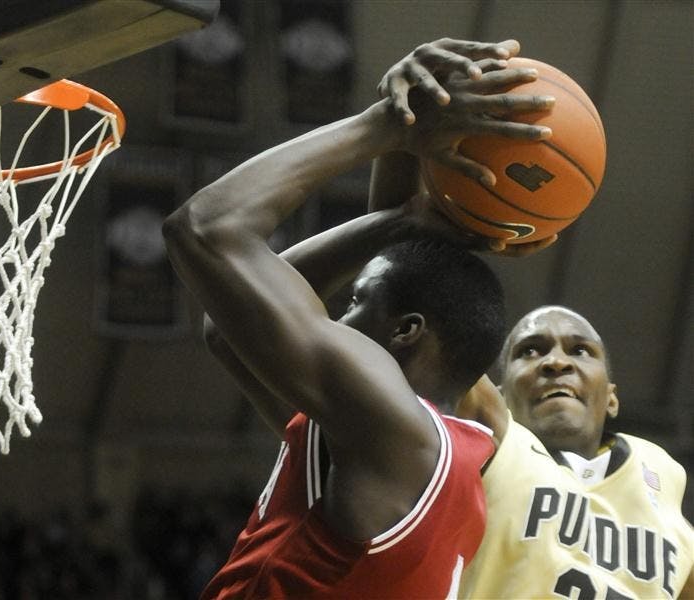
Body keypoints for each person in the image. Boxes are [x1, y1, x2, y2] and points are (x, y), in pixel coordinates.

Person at [162, 37, 555, 599]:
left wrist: (385, 127)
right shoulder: (437, 462)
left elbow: (205, 229)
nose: (333, 316)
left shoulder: (392, 432)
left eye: (353, 303)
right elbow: (228, 329)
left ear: (406, 332)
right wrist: (399, 220)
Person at [455, 306, 694, 599]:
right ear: (501, 396)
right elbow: (440, 343)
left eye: (580, 351)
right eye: (530, 351)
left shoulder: (660, 472)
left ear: (611, 398)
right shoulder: (492, 447)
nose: (556, 362)